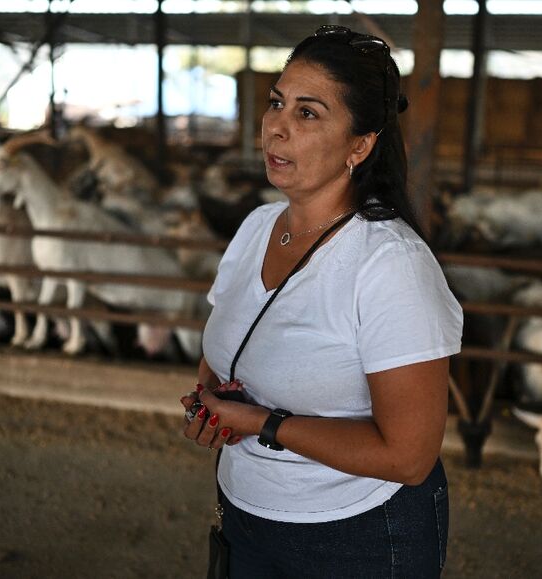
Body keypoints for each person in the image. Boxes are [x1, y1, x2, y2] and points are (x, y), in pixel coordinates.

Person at [181, 25, 463, 578]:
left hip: (359, 533)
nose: (276, 128)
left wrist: (263, 422)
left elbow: (408, 456)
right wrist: (208, 410)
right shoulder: (256, 228)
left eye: (308, 113)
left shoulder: (389, 264)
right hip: (247, 513)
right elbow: (219, 361)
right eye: (276, 103)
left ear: (361, 144)